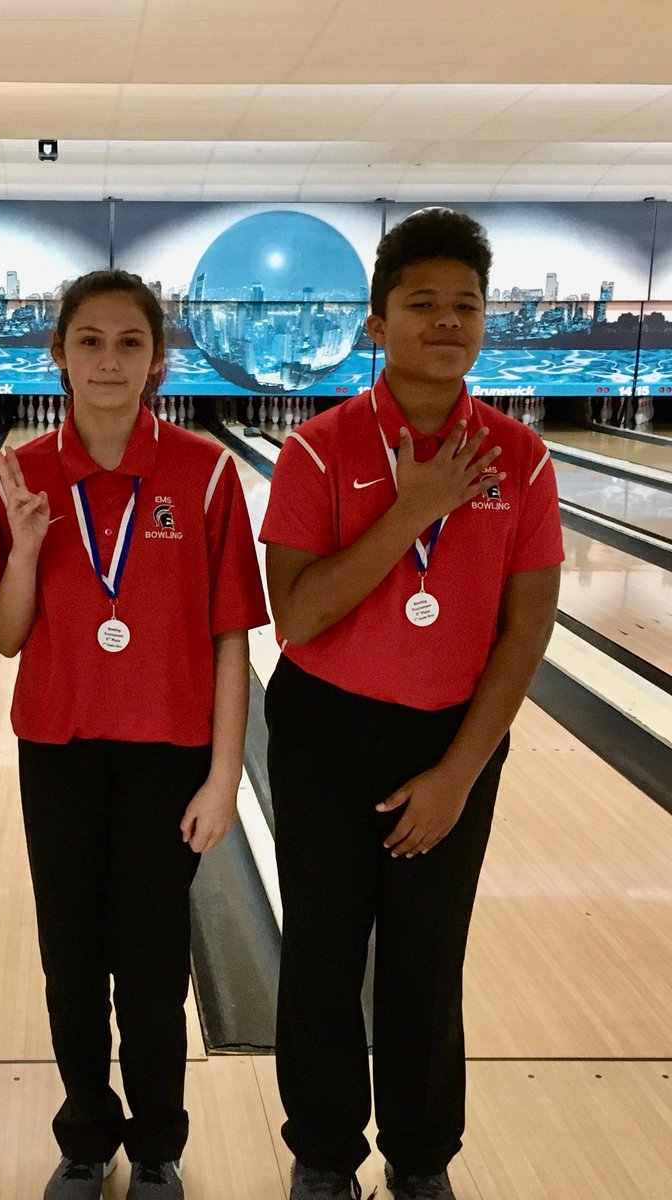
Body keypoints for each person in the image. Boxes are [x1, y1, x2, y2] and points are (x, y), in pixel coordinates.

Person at [259, 208, 564, 1200]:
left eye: (463, 306)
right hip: (323, 731)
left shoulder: (522, 460)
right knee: (321, 953)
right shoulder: (315, 451)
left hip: (454, 736)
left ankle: (422, 1160)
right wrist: (415, 510)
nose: (445, 322)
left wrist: (457, 775)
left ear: (484, 324)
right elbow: (298, 616)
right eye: (420, 304)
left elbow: (524, 632)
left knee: (427, 963)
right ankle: (321, 1155)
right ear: (375, 325)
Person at [0, 269, 269, 1200]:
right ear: (58, 353)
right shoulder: (21, 473)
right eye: (90, 341)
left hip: (168, 753)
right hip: (59, 750)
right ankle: (83, 1136)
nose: (109, 359)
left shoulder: (206, 473)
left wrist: (226, 777)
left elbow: (233, 638)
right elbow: (5, 635)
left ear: (157, 358)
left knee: (152, 966)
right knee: (69, 958)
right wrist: (23, 548)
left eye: (130, 342)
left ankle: (155, 1146)